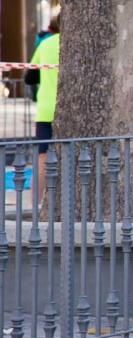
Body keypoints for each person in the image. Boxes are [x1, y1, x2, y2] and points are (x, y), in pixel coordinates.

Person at [24, 12, 60, 199]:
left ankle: (37, 203)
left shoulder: (45, 44)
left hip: (46, 110)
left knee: (43, 157)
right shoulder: (79, 43)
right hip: (68, 111)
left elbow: (29, 78)